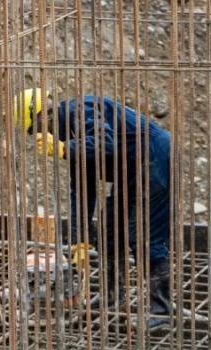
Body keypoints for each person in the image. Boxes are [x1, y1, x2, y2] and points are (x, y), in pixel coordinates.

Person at [14, 88, 173, 333]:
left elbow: (105, 143)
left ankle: (160, 312)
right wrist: (80, 239)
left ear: (43, 114)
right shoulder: (70, 136)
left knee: (143, 236)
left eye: (36, 128)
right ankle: (113, 296)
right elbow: (82, 189)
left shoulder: (81, 109)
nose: (39, 135)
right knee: (110, 226)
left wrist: (64, 149)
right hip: (131, 171)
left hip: (155, 160)